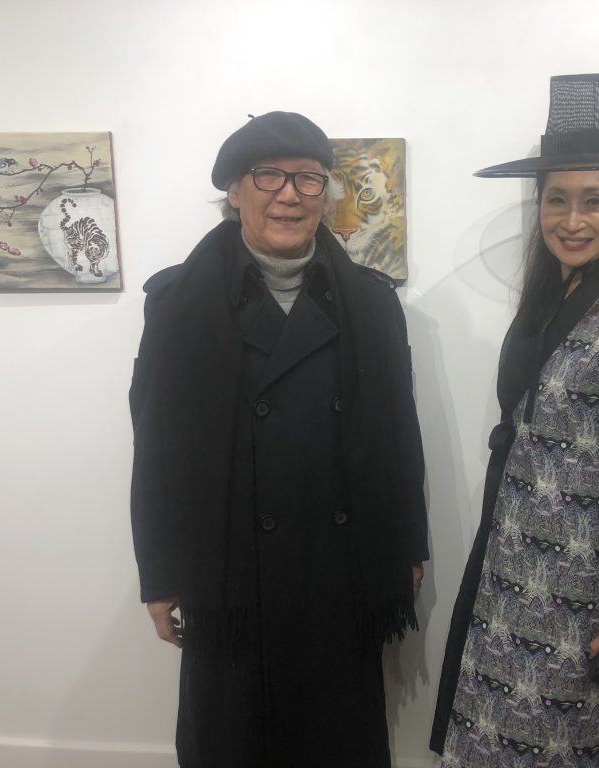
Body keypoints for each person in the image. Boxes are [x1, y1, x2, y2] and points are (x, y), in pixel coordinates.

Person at [129, 111, 428, 767]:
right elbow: (156, 446)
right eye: (269, 176)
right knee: (235, 740)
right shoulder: (177, 303)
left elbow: (399, 436)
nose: (289, 194)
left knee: (334, 741)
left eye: (308, 178)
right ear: (234, 192)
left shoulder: (372, 303)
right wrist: (160, 572)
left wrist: (407, 547)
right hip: (229, 573)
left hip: (337, 566)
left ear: (324, 194)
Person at [430, 74, 599, 767]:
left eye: (593, 201)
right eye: (557, 199)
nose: (572, 220)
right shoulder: (547, 299)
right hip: (512, 574)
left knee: (569, 744)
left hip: (581, 589)